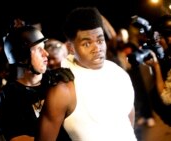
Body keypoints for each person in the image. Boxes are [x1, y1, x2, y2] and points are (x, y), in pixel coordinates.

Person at [36, 7, 137, 141]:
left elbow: (128, 122)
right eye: (87, 43)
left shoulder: (118, 73)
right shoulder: (63, 90)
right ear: (71, 48)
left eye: (100, 41)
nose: (97, 48)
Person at [0, 25, 74, 141]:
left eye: (44, 48)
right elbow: (19, 139)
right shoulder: (10, 97)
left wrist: (71, 85)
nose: (46, 54)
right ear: (22, 56)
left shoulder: (56, 79)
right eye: (38, 49)